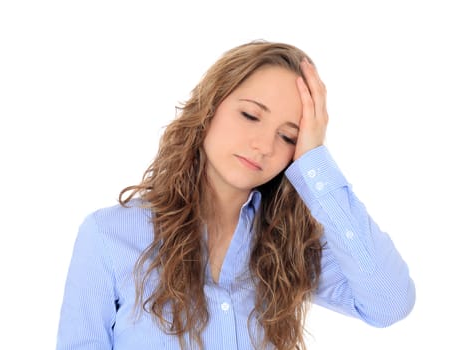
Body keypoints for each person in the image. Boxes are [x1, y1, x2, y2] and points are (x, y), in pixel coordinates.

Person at [56, 40, 415, 350]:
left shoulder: (290, 246)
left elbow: (390, 303)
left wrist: (314, 162)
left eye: (289, 137)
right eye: (250, 115)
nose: (263, 146)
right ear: (210, 107)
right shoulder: (108, 236)